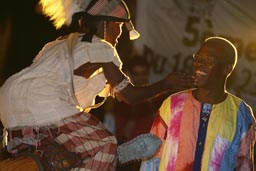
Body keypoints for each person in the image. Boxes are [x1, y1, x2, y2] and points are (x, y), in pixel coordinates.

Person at [0, 0, 193, 170]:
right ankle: (115, 154)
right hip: (41, 105)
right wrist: (167, 83)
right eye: (118, 26)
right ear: (106, 23)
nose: (119, 33)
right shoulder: (101, 47)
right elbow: (131, 96)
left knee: (68, 153)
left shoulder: (60, 43)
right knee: (105, 145)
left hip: (9, 106)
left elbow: (56, 81)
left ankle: (114, 155)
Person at [140, 36, 256, 171]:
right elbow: (150, 159)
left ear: (227, 69)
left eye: (208, 60)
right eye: (198, 58)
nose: (199, 64)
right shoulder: (173, 104)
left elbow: (244, 165)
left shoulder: (240, 114)